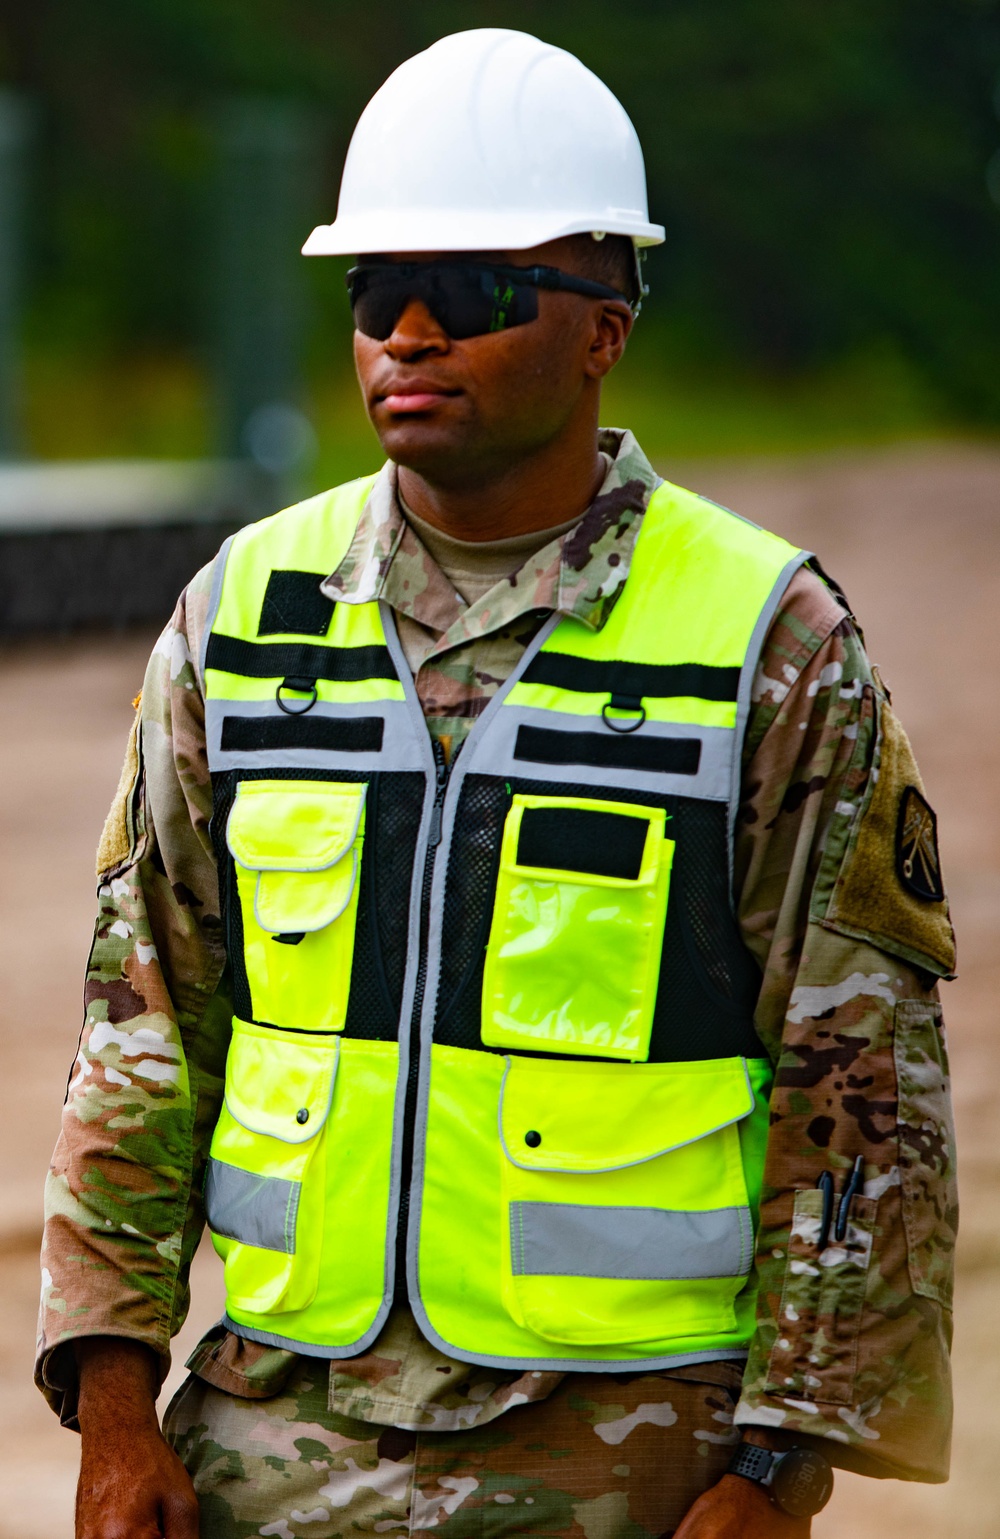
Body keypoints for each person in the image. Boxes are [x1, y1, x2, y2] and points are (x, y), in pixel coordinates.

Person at [37, 28, 957, 1539]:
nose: (406, 333)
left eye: (462, 293)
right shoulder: (244, 616)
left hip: (630, 1457)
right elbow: (142, 1023)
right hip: (276, 1432)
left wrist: (783, 1470)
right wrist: (116, 1402)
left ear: (605, 326)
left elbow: (861, 1085)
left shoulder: (767, 641)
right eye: (370, 295)